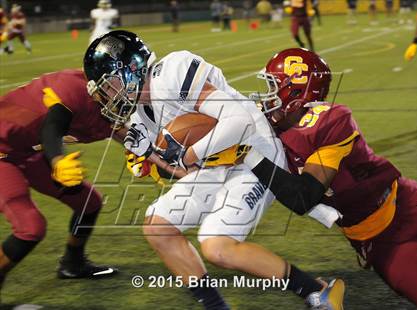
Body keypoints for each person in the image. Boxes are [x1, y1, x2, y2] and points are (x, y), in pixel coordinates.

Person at [83, 30, 345, 310]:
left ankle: (317, 291)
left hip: (254, 153)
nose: (109, 96)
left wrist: (187, 153)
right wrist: (152, 155)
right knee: (158, 227)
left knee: (217, 246)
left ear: (131, 68)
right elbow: (183, 168)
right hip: (216, 163)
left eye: (109, 85)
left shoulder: (170, 73)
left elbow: (239, 121)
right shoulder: (140, 114)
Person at [243, 48, 417, 307]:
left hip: (407, 206)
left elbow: (303, 197)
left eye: (273, 86)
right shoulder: (268, 128)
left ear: (296, 92)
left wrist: (247, 155)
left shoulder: (329, 121)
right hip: (376, 239)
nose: (267, 96)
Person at [0, 69, 128, 302]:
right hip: (3, 147)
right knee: (30, 227)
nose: (126, 90)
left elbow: (127, 135)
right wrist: (57, 161)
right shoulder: (72, 87)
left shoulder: (104, 104)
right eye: (117, 82)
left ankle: (72, 264)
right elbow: (53, 126)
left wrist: (176, 163)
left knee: (89, 202)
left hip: (27, 149)